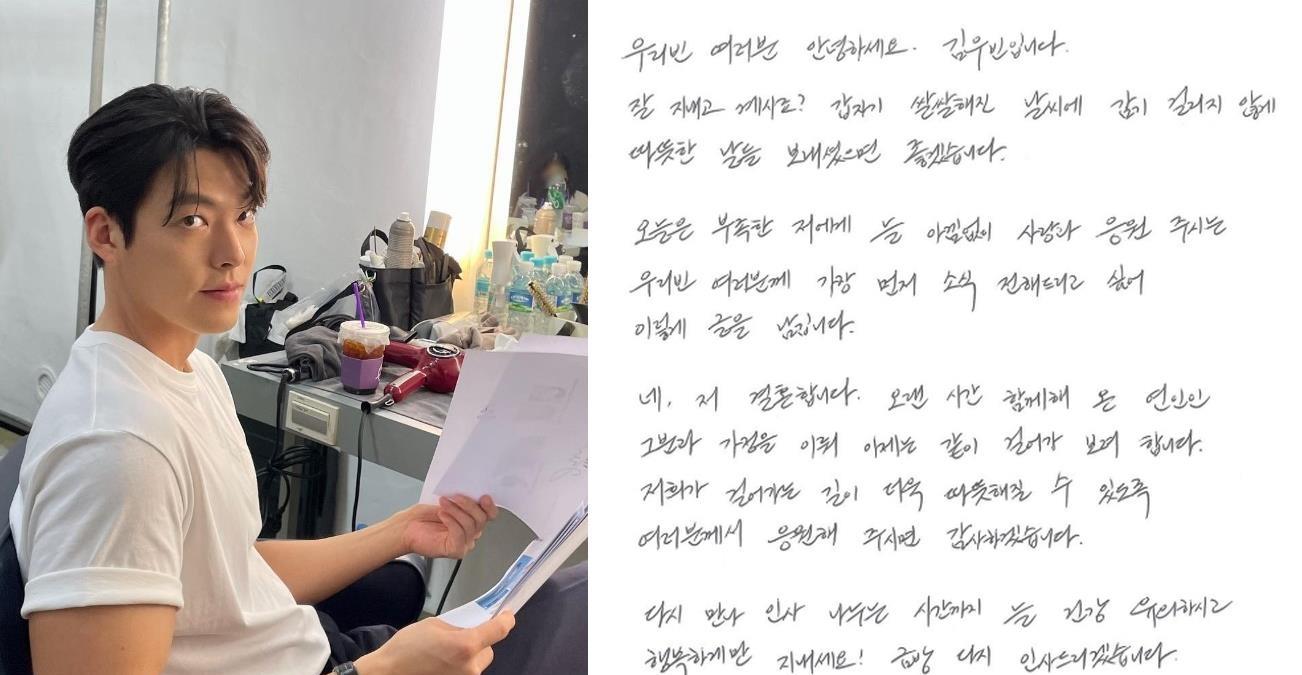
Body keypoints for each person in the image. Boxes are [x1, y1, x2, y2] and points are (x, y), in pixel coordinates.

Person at [7, 83, 586, 674]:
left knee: (565, 610)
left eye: (244, 215)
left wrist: (401, 531)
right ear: (106, 234)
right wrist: (384, 671)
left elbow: (230, 580)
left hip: (309, 649)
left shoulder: (191, 371)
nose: (233, 252)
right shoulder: (118, 448)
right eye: (192, 220)